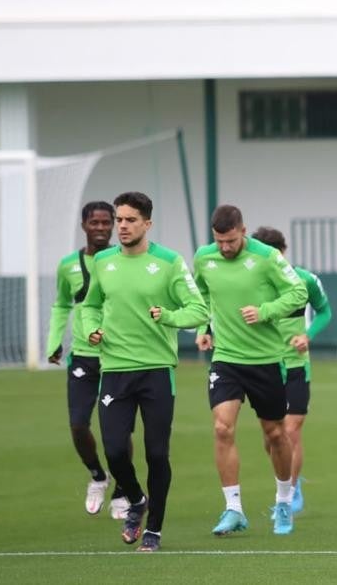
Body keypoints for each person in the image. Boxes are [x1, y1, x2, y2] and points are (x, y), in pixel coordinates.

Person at [81, 191, 208, 552]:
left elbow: (198, 310)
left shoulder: (168, 262)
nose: (122, 226)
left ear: (147, 223)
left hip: (156, 371)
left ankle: (154, 529)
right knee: (116, 451)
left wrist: (168, 317)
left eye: (130, 220)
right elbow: (89, 306)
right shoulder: (103, 261)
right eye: (119, 219)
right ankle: (136, 500)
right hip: (115, 369)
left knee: (156, 454)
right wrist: (92, 328)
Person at [193, 206, 307, 537]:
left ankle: (284, 500)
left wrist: (266, 311)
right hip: (226, 358)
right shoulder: (204, 258)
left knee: (274, 434)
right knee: (222, 428)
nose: (224, 248)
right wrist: (205, 325)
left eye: (230, 241)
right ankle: (233, 508)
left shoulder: (268, 257)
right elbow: (200, 294)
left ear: (243, 231)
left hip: (266, 359)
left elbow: (298, 292)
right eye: (219, 241)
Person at [45, 200, 133, 518]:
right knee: (79, 425)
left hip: (117, 356)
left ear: (113, 225)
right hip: (82, 356)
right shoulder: (68, 265)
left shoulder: (122, 260)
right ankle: (98, 475)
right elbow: (60, 305)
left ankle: (123, 490)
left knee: (120, 434)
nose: (100, 228)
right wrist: (55, 342)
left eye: (105, 222)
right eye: (93, 222)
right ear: (83, 225)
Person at [250, 226, 332, 516]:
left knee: (291, 430)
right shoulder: (251, 285)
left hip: (297, 365)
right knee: (272, 437)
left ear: (283, 253)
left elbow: (325, 311)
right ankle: (286, 478)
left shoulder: (305, 280)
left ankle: (290, 491)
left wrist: (307, 335)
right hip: (266, 364)